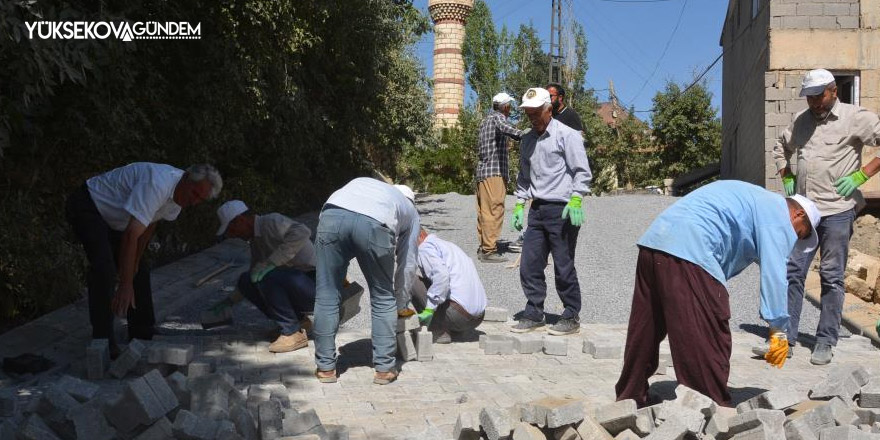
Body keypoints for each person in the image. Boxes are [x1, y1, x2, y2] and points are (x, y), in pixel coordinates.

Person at [614, 180, 821, 407]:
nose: (796, 240)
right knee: (709, 330)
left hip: (654, 244)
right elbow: (775, 274)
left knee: (646, 328)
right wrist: (778, 330)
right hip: (690, 250)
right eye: (802, 233)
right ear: (798, 214)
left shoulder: (756, 200)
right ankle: (706, 407)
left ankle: (630, 396)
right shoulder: (778, 214)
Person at [772, 68, 880, 365]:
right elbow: (780, 147)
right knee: (793, 272)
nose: (814, 103)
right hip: (806, 213)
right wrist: (788, 174)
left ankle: (825, 340)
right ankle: (787, 338)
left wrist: (862, 174)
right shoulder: (801, 121)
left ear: (834, 90)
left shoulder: (855, 117)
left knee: (832, 277)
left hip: (838, 211)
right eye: (809, 98)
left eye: (819, 96)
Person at [66, 163, 222, 355]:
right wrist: (125, 284)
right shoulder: (157, 184)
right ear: (187, 179)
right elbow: (131, 235)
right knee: (104, 270)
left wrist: (136, 263)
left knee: (140, 269)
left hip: (117, 219)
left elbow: (149, 224)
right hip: (89, 205)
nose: (194, 202)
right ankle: (103, 341)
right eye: (195, 194)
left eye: (200, 199)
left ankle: (142, 330)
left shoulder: (179, 198)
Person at [312, 178, 420, 385]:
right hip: (375, 223)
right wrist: (401, 302)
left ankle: (325, 368)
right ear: (411, 201)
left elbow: (343, 226)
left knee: (326, 294)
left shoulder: (367, 185)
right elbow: (408, 263)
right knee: (382, 297)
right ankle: (384, 369)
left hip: (331, 215)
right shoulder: (411, 211)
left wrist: (337, 270)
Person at [510, 87, 592, 336]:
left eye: (536, 112)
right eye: (528, 113)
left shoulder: (567, 135)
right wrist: (519, 204)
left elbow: (582, 171)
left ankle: (570, 314)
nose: (532, 117)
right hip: (538, 210)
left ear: (549, 109)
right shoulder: (527, 140)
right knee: (529, 264)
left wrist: (577, 199)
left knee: (563, 265)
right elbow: (524, 176)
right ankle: (534, 312)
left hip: (563, 210)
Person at [210, 200, 317, 353]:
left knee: (268, 277)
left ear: (240, 220)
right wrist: (229, 302)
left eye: (231, 230)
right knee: (247, 279)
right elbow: (255, 275)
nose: (232, 236)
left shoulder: (271, 221)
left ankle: (292, 333)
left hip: (315, 284)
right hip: (300, 287)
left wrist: (272, 262)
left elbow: (303, 232)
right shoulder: (256, 241)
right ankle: (299, 322)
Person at [411, 228, 487, 343]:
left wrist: (429, 309)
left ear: (420, 236)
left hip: (459, 317)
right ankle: (456, 330)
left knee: (411, 279)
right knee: (432, 281)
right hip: (478, 317)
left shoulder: (424, 248)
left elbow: (441, 276)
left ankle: (438, 330)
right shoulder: (448, 246)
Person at [475, 92, 524, 262]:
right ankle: (489, 250)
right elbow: (507, 128)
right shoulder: (498, 118)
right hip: (494, 172)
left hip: (483, 173)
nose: (510, 109)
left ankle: (484, 247)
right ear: (505, 106)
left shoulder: (485, 120)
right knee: (495, 209)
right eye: (509, 106)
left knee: (484, 211)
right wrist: (525, 134)